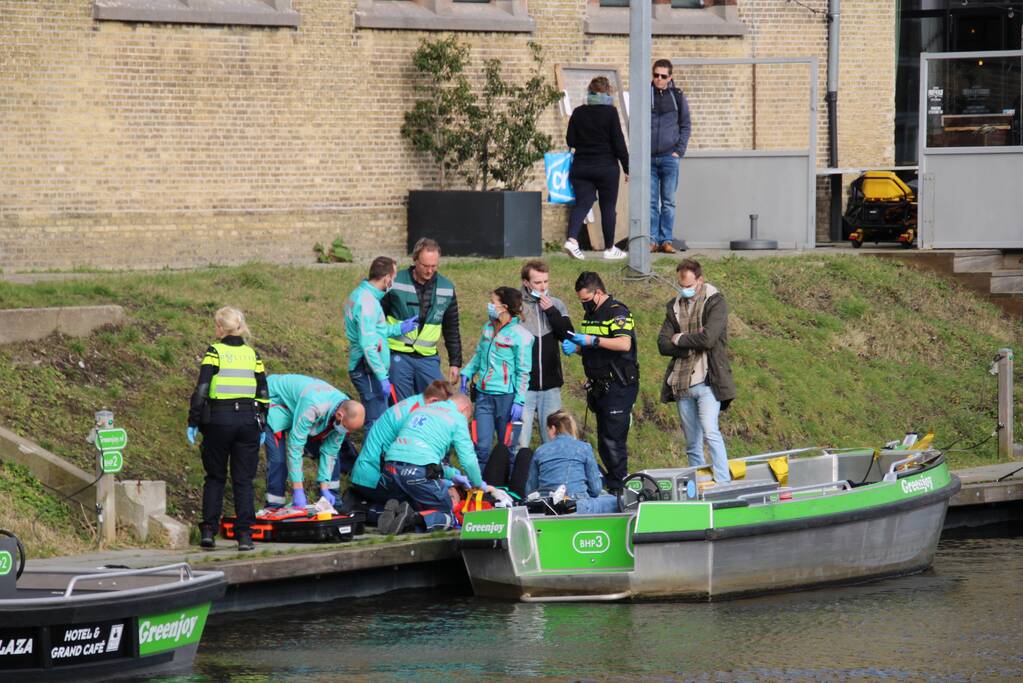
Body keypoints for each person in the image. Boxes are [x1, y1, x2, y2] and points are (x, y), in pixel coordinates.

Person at [186, 306, 269, 551]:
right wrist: (262, 422)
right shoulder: (253, 355)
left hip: (219, 420)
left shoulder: (214, 352)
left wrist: (193, 421)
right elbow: (263, 393)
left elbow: (202, 389)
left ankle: (208, 532)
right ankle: (245, 536)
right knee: (244, 480)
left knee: (215, 477)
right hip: (248, 421)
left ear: (221, 328)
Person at [378, 393, 509, 534]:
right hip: (416, 472)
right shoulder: (457, 418)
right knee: (448, 514)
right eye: (468, 418)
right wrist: (478, 484)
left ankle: (394, 512)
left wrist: (452, 475)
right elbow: (468, 461)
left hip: (389, 469)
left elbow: (421, 455)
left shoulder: (422, 409)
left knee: (415, 499)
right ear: (465, 410)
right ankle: (411, 519)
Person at [657, 259, 735, 483]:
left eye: (689, 285)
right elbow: (662, 344)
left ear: (700, 281)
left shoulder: (715, 302)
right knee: (692, 442)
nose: (685, 289)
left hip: (708, 380)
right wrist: (694, 340)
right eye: (681, 285)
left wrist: (680, 338)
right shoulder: (673, 306)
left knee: (710, 431)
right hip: (682, 383)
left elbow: (709, 339)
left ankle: (723, 482)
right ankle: (700, 485)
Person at [564, 272, 639, 493]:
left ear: (598, 292)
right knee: (604, 439)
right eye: (581, 301)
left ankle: (620, 489)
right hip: (599, 386)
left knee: (613, 441)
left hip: (618, 385)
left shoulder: (617, 312)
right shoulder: (591, 315)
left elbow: (624, 344)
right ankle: (614, 485)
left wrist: (592, 340)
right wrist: (578, 348)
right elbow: (595, 349)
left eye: (586, 300)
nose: (584, 304)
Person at [348, 379, 453, 515]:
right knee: (423, 502)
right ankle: (364, 510)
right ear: (434, 401)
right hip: (374, 478)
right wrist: (447, 475)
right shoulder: (416, 415)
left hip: (369, 473)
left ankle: (367, 505)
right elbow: (415, 462)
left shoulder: (414, 404)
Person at [261, 373, 365, 510]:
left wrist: (325, 487)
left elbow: (330, 452)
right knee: (278, 460)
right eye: (346, 428)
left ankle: (331, 500)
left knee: (332, 454)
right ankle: (274, 506)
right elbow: (295, 446)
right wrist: (298, 489)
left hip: (296, 408)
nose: (346, 432)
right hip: (273, 401)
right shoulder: (314, 405)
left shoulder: (343, 411)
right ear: (339, 415)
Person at [460, 287, 533, 472]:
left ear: (504, 307)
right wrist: (467, 372)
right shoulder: (488, 327)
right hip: (483, 397)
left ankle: (507, 487)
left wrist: (519, 400)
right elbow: (479, 354)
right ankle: (478, 486)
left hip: (507, 399)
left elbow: (523, 372)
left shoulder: (522, 336)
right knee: (481, 447)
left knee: (507, 449)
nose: (489, 305)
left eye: (493, 302)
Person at [383, 238, 463, 400]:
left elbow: (451, 328)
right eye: (425, 266)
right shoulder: (395, 282)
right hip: (397, 354)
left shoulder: (446, 288)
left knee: (440, 400)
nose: (429, 271)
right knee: (400, 404)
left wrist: (455, 362)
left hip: (427, 357)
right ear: (415, 260)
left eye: (434, 266)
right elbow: (377, 318)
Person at [344, 256, 417, 430]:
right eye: (394, 277)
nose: (394, 282)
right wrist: (382, 377)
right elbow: (368, 345)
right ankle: (372, 450)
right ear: (387, 278)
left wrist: (399, 328)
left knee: (377, 421)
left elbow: (374, 331)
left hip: (368, 367)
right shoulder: (367, 302)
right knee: (376, 424)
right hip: (367, 368)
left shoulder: (361, 294)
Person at [563, 76, 629, 262]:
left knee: (582, 204)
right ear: (608, 92)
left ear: (590, 91)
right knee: (608, 207)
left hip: (581, 167)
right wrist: (627, 167)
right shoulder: (610, 112)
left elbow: (570, 140)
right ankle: (609, 248)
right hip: (606, 168)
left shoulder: (578, 112)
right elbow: (618, 142)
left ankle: (572, 240)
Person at [515, 260, 574, 450]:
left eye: (546, 282)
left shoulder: (556, 304)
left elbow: (568, 335)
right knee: (520, 443)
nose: (542, 287)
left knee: (553, 443)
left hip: (550, 387)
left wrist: (551, 312)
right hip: (523, 386)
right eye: (537, 282)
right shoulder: (516, 306)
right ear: (526, 282)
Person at [525, 410, 620, 514]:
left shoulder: (540, 451)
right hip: (576, 505)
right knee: (616, 500)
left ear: (553, 428)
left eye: (548, 430)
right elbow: (596, 489)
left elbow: (530, 490)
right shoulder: (584, 448)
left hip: (546, 506)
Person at [650, 58, 692, 254]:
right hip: (649, 159)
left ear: (670, 77)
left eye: (663, 76)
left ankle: (666, 240)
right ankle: (652, 240)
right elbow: (635, 124)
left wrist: (678, 151)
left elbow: (685, 125)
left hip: (669, 157)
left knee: (668, 202)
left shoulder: (677, 96)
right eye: (656, 75)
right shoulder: (646, 95)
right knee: (651, 203)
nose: (659, 79)